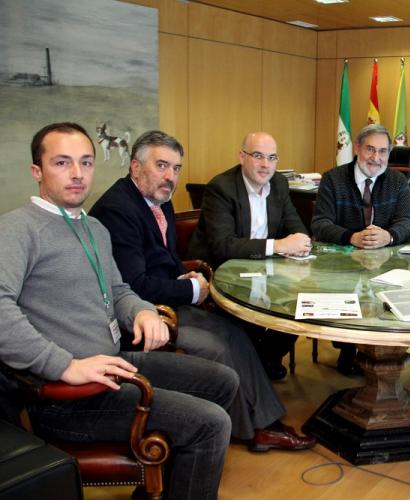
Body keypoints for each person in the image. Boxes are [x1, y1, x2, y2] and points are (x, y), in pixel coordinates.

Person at [0, 122, 240, 499]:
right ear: (37, 171)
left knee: (223, 380)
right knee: (211, 424)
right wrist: (65, 365)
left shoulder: (93, 227)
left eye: (86, 162)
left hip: (113, 363)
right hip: (66, 395)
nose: (78, 174)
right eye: (62, 163)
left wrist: (142, 312)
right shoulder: (17, 230)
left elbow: (118, 289)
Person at [90, 130, 315, 453]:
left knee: (234, 331)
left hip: (167, 299)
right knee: (221, 344)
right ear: (136, 168)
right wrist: (192, 290)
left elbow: (163, 261)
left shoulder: (157, 199)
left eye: (176, 168)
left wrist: (184, 274)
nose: (170, 177)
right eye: (162, 166)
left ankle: (261, 421)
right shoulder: (119, 210)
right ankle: (257, 428)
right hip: (142, 318)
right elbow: (133, 285)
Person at [187, 131, 311, 379]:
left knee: (300, 308)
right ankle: (255, 370)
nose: (266, 165)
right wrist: (277, 246)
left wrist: (299, 241)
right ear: (242, 156)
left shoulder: (279, 184)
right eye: (258, 156)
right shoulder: (221, 188)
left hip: (267, 272)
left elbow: (297, 229)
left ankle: (263, 363)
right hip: (223, 272)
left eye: (272, 157)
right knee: (247, 319)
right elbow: (224, 246)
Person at [310, 124, 410, 374]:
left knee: (389, 296)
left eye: (383, 151)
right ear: (357, 148)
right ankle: (348, 349)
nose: (376, 158)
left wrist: (388, 236)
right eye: (370, 149)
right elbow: (320, 223)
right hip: (341, 262)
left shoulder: (397, 180)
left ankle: (386, 348)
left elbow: (407, 222)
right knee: (349, 291)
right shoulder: (333, 178)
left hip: (386, 262)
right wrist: (351, 236)